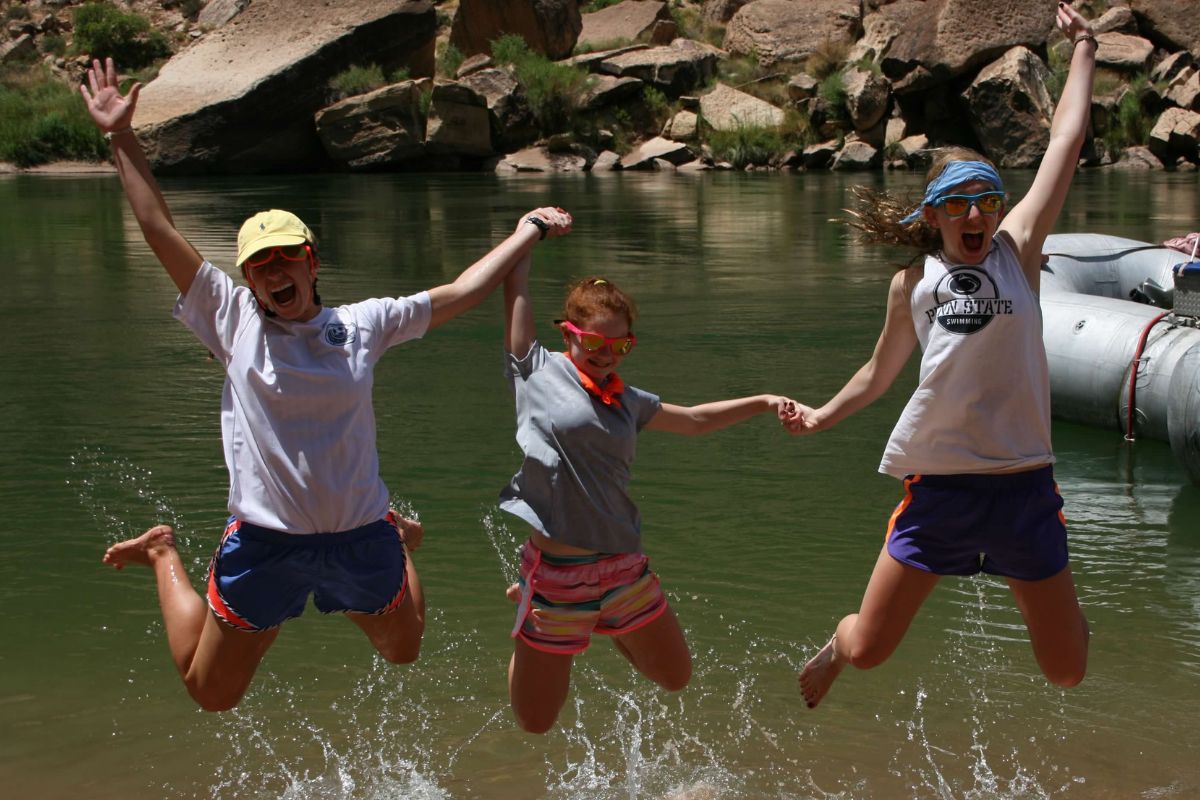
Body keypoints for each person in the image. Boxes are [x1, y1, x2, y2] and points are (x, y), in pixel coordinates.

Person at [82, 57, 571, 712]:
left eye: (286, 257)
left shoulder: (363, 324)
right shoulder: (230, 322)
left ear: (311, 262)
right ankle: (163, 552)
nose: (274, 272)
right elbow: (158, 228)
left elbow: (460, 293)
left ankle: (399, 540)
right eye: (260, 266)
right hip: (264, 545)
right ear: (248, 281)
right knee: (211, 693)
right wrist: (121, 137)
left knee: (404, 649)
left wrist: (525, 231)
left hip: (359, 536)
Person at [787, 1, 1096, 709]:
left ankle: (1068, 608)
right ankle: (837, 645)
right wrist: (820, 417)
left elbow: (1066, 144)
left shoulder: (1019, 252)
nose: (978, 216)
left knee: (1067, 673)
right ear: (932, 217)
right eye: (959, 205)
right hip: (942, 490)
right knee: (867, 650)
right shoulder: (912, 285)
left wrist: (1084, 50)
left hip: (1023, 488)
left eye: (987, 200)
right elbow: (877, 374)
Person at [498, 240, 800, 733]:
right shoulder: (536, 370)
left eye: (620, 347)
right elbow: (516, 287)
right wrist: (530, 231)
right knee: (535, 722)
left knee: (675, 677)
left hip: (622, 566)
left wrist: (765, 401)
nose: (606, 356)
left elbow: (697, 420)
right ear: (569, 335)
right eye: (594, 344)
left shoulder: (628, 400)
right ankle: (527, 614)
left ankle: (606, 622)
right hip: (558, 577)